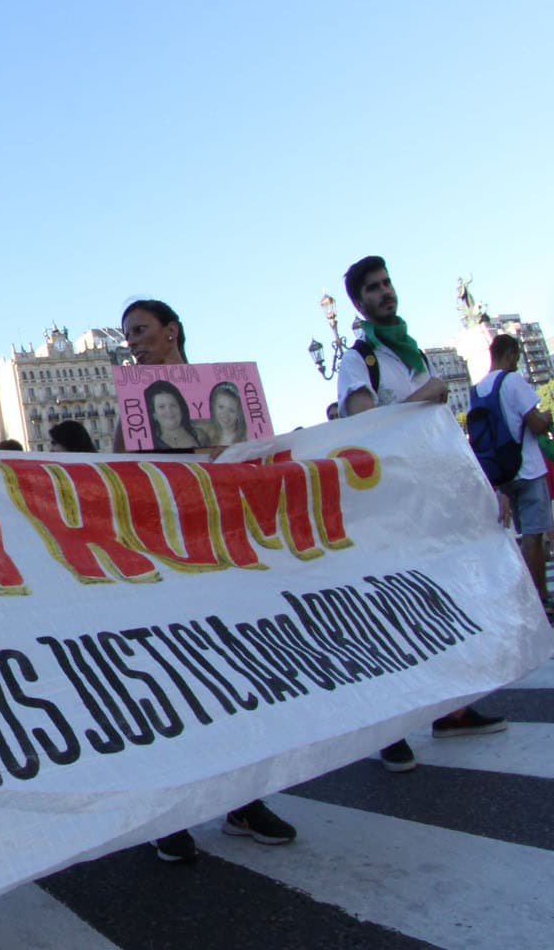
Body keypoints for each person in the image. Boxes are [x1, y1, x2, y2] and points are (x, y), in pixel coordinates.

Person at [121, 298, 300, 862]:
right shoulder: (133, 402)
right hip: (165, 556)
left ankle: (244, 800)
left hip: (224, 550)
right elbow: (125, 473)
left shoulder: (223, 395)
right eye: (128, 334)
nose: (134, 342)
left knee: (238, 676)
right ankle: (169, 814)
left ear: (172, 331)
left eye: (142, 331)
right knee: (172, 682)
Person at [333, 256, 508, 770]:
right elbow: (365, 430)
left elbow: (443, 436)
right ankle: (389, 726)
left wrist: (482, 485)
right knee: (392, 615)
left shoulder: (412, 355)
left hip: (434, 498)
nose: (385, 293)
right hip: (387, 508)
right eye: (373, 287)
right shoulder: (358, 360)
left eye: (387, 283)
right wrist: (420, 397)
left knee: (443, 603)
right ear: (357, 302)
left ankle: (450, 709)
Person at [470, 334, 550, 616]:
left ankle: (527, 596)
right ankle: (539, 597)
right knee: (533, 535)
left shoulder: (477, 389)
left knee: (519, 535)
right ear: (512, 354)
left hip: (501, 473)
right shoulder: (513, 381)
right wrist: (548, 416)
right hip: (527, 468)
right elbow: (537, 424)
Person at [144, 379, 203, 451]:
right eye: (161, 406)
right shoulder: (147, 443)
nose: (169, 411)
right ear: (154, 414)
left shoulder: (200, 435)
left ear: (181, 409)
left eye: (173, 405)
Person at [208, 381, 247, 446]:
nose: (225, 414)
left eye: (231, 410)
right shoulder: (208, 432)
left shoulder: (246, 436)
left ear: (239, 413)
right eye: (221, 407)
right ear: (214, 407)